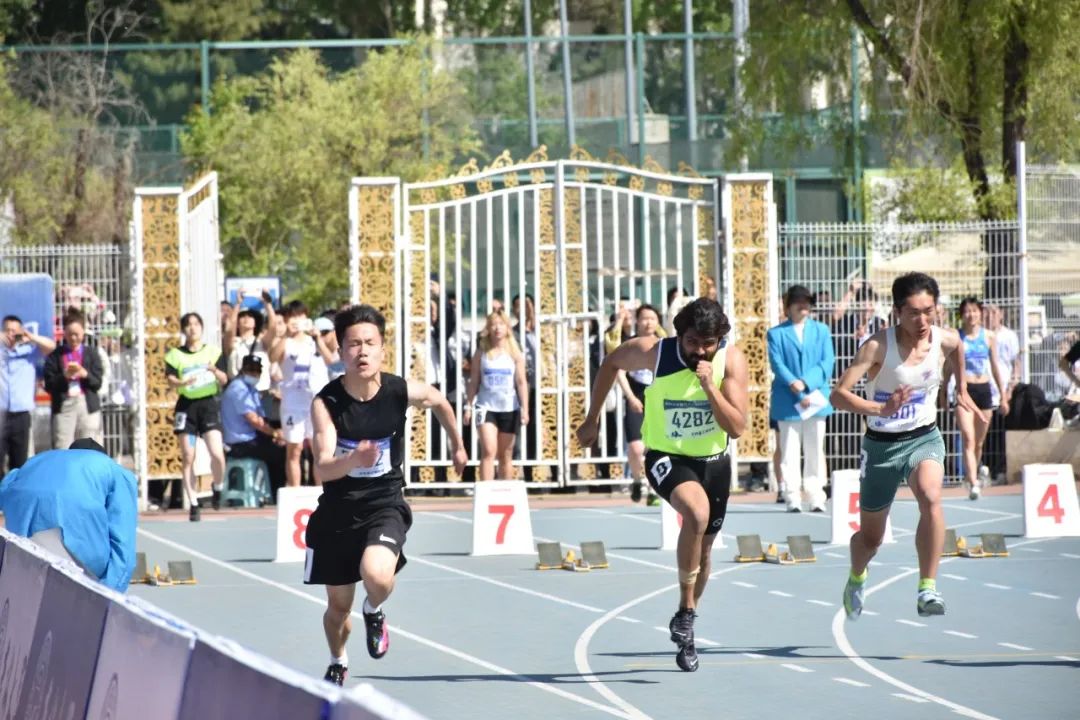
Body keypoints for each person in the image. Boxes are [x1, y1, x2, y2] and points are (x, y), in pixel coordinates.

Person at [576, 298, 748, 672]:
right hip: (666, 457)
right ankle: (685, 609)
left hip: (713, 463)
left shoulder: (730, 360)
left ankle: (687, 624)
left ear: (719, 340)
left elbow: (736, 427)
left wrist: (710, 386)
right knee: (696, 514)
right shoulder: (654, 352)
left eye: (707, 344)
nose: (699, 351)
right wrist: (592, 419)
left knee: (704, 553)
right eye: (691, 342)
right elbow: (611, 363)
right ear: (678, 335)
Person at [305, 304, 466, 685]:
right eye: (353, 344)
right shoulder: (326, 403)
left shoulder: (398, 391)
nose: (362, 351)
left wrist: (457, 444)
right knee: (337, 610)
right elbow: (323, 468)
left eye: (369, 343)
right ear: (341, 351)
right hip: (338, 513)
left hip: (384, 504)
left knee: (377, 576)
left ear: (382, 349)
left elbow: (439, 401)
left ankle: (374, 609)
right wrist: (352, 460)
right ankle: (338, 660)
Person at [830, 272, 976, 622]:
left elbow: (958, 347)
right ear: (897, 312)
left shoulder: (943, 339)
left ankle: (927, 587)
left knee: (931, 495)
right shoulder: (877, 347)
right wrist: (882, 409)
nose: (922, 320)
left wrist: (962, 388)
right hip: (882, 446)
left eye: (929, 311)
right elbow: (838, 396)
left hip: (923, 437)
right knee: (871, 539)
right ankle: (857, 577)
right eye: (913, 313)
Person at [0, 438, 137, 592]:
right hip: (80, 561)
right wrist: (109, 593)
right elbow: (123, 544)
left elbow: (5, 489)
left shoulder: (34, 463)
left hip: (25, 553)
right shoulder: (114, 471)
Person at [767, 286, 835, 513]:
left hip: (815, 397)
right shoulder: (776, 333)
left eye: (806, 301)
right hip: (788, 399)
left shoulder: (822, 330)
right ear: (788, 307)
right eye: (797, 301)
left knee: (815, 449)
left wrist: (805, 384)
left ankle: (816, 495)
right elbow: (777, 364)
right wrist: (795, 386)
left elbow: (827, 361)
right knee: (789, 449)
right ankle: (791, 495)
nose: (803, 305)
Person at [165, 312, 229, 521]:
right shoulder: (175, 355)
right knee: (188, 456)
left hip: (208, 405)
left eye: (196, 324)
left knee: (217, 453)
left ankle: (217, 486)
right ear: (183, 330)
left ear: (201, 327)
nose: (192, 328)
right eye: (188, 325)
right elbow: (170, 379)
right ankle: (193, 503)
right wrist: (181, 383)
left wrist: (214, 370)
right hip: (186, 407)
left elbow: (224, 379)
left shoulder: (213, 352)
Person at [269, 301, 335, 487]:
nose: (297, 321)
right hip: (292, 403)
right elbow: (273, 357)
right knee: (295, 449)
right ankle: (295, 491)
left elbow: (330, 360)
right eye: (292, 317)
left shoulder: (314, 340)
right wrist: (285, 335)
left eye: (300, 316)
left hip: (316, 403)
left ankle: (322, 492)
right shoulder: (286, 342)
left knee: (318, 449)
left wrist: (317, 337)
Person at [953, 297, 1010, 500]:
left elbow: (994, 366)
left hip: (984, 390)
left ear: (980, 313)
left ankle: (973, 474)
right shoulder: (957, 337)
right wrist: (943, 392)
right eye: (967, 311)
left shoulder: (989, 336)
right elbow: (948, 366)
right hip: (965, 391)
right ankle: (973, 482)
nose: (971, 315)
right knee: (968, 438)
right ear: (962, 315)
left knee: (978, 442)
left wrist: (1003, 396)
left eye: (974, 310)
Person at [463, 311, 529, 481]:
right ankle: (487, 490)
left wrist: (525, 409)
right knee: (489, 450)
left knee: (505, 453)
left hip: (509, 407)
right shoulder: (481, 352)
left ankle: (505, 490)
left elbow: (521, 382)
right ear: (488, 328)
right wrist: (468, 406)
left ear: (507, 328)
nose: (497, 328)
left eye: (501, 324)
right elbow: (474, 381)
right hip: (486, 406)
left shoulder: (515, 353)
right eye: (493, 324)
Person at [616, 303, 664, 504]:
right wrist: (631, 397)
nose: (648, 322)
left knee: (654, 448)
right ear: (637, 321)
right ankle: (637, 480)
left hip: (657, 401)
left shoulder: (664, 343)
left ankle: (653, 490)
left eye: (652, 318)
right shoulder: (630, 344)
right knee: (636, 448)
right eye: (644, 318)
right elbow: (619, 372)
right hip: (636, 399)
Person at [221, 354, 286, 495]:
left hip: (251, 437)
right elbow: (254, 420)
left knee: (280, 446)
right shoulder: (239, 389)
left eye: (257, 370)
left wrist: (274, 435)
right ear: (243, 370)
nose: (254, 374)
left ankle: (271, 492)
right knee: (280, 453)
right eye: (250, 370)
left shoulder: (251, 389)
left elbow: (262, 419)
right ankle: (275, 494)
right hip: (239, 443)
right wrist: (275, 434)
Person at [1, 315, 56, 472]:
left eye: (14, 331)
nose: (10, 334)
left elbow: (51, 346)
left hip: (21, 415)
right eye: (7, 330)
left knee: (19, 463)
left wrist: (31, 337)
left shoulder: (29, 352)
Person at [43, 308, 105, 449]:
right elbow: (49, 385)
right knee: (63, 446)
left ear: (83, 332)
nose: (73, 338)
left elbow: (97, 382)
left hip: (87, 405)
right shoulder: (55, 355)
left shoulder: (92, 354)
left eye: (77, 334)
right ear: (64, 333)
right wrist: (64, 376)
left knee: (89, 447)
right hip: (65, 404)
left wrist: (85, 374)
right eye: (70, 334)